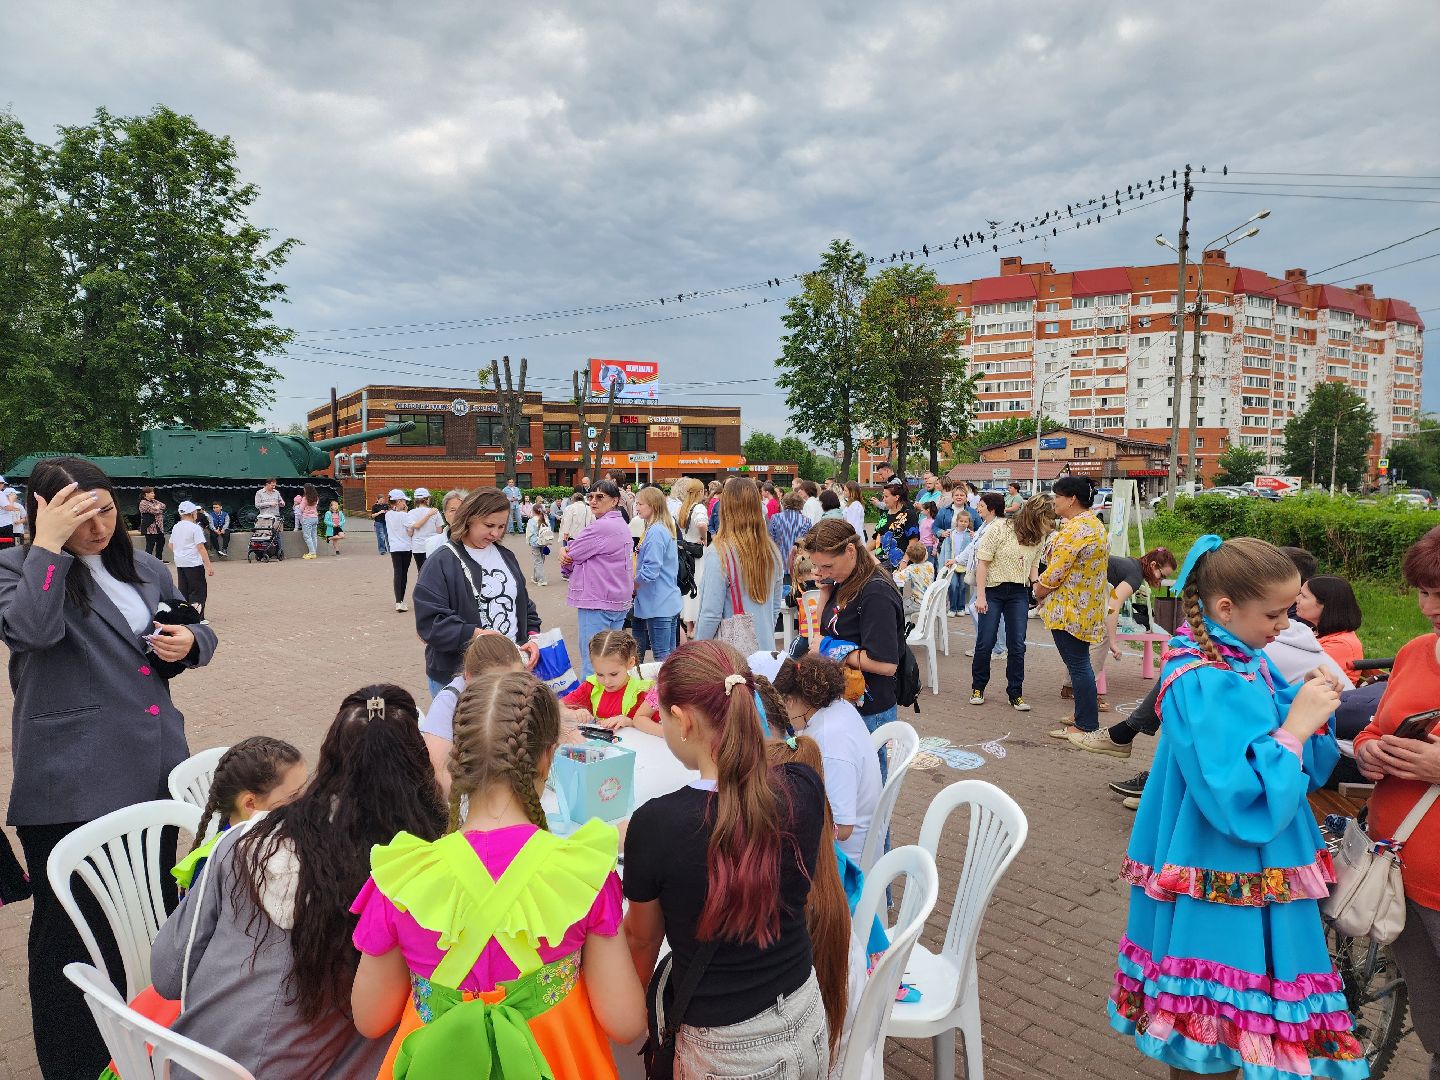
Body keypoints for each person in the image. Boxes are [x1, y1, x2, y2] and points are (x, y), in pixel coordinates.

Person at [1107, 536, 1366, 1080]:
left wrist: (1303, 708)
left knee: (1231, 1009)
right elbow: (1237, 795)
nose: (1286, 625)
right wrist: (1297, 728)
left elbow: (1260, 731)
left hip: (1239, 860)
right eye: (1274, 614)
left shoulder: (1237, 658)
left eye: (1290, 610)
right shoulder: (1205, 677)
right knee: (1218, 1016)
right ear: (1225, 608)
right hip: (1226, 861)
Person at [0, 457, 218, 1080]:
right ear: (44, 515)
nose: (97, 527)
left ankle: (143, 1040)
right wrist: (47, 548)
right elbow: (30, 632)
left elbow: (192, 626)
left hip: (153, 766)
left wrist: (191, 644)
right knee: (70, 935)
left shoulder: (144, 567)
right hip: (70, 778)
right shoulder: (17, 568)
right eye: (78, 516)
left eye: (104, 511)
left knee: (150, 916)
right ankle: (73, 1064)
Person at [352, 672, 647, 1078]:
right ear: (547, 757)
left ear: (458, 757)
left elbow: (370, 1018)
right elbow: (625, 1022)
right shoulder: (581, 874)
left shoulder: (404, 878)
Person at [150, 685, 447, 1080]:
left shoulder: (246, 841)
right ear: (419, 771)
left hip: (191, 1067)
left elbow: (167, 976)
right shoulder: (408, 878)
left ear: (329, 758)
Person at [623, 642, 829, 1078]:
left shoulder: (658, 825)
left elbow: (641, 942)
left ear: (682, 720)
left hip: (725, 1052)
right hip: (806, 1018)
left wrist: (629, 1017)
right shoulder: (803, 785)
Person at [1353, 526, 1440, 1080]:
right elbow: (1373, 725)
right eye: (1424, 592)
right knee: (1435, 1027)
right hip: (1395, 871)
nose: (1430, 608)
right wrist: (1369, 751)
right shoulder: (1414, 652)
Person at [414, 488, 542, 698]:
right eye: (489, 525)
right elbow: (430, 623)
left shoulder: (506, 556)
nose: (495, 534)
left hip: (510, 672)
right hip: (459, 676)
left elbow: (523, 604)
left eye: (501, 526)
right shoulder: (441, 561)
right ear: (469, 518)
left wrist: (533, 638)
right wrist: (477, 635)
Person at [802, 518, 904, 779]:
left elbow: (886, 664)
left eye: (827, 566)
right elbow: (826, 629)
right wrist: (825, 590)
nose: (822, 572)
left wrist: (833, 650)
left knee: (868, 785)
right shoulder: (846, 578)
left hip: (869, 707)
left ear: (850, 551)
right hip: (849, 700)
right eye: (817, 566)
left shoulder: (875, 592)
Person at [770, 652, 882, 865]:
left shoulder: (830, 741)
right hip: (854, 842)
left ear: (790, 701)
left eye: (780, 709)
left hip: (847, 860)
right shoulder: (836, 707)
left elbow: (842, 828)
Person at [1062, 547, 1179, 730]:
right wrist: (1113, 641)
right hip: (1081, 591)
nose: (1160, 580)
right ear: (1153, 565)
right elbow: (1113, 605)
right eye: (1161, 575)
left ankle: (1069, 687)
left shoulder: (1132, 565)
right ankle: (1087, 698)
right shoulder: (1135, 576)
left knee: (1083, 640)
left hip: (1079, 589)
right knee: (1101, 640)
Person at [172, 736, 306, 892]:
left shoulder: (274, 834)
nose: (305, 801)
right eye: (293, 795)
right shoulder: (219, 866)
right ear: (250, 804)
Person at [1032, 475, 1109, 739]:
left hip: (1070, 610)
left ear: (1072, 499)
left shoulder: (1076, 530)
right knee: (1080, 663)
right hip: (1085, 608)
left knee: (1078, 665)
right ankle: (1082, 714)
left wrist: (1038, 589)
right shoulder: (1093, 524)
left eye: (1058, 496)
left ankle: (1085, 724)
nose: (1054, 501)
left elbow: (1056, 571)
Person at [419, 632, 531, 796]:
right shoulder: (448, 702)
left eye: (515, 681)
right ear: (468, 677)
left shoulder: (523, 693)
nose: (506, 692)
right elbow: (440, 776)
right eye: (493, 684)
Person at [971, 495, 1049, 711]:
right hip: (993, 589)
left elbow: (1033, 566)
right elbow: (983, 563)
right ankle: (978, 687)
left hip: (1018, 592)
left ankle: (1015, 693)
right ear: (1035, 516)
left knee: (1017, 644)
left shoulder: (1039, 536)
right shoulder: (1000, 528)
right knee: (986, 641)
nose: (1049, 526)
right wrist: (980, 596)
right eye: (1046, 520)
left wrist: (1038, 590)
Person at [695, 477, 784, 655]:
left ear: (726, 509)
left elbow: (711, 614)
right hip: (766, 650)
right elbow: (775, 608)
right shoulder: (772, 551)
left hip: (731, 655)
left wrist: (697, 650)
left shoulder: (720, 552)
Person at [561, 479, 633, 678]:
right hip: (616, 599)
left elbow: (572, 554)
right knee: (610, 660)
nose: (593, 501)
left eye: (600, 497)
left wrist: (565, 553)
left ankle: (590, 697)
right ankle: (608, 696)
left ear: (614, 500)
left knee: (592, 661)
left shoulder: (602, 526)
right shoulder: (620, 524)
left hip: (598, 599)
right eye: (590, 496)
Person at [563, 629, 660, 735]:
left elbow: (661, 727)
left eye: (613, 674)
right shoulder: (591, 686)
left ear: (630, 663)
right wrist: (572, 713)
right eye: (599, 674)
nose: (606, 681)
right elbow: (556, 708)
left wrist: (630, 722)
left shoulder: (643, 692)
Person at [633, 486, 682, 663]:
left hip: (658, 602)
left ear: (652, 505)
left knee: (662, 657)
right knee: (669, 656)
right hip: (667, 600)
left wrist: (633, 585)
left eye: (640, 504)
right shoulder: (663, 527)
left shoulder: (655, 531)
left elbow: (650, 570)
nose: (637, 507)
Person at [1296, 575, 1366, 685]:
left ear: (1325, 605)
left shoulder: (1341, 645)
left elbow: (1298, 674)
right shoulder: (1316, 631)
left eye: (1304, 596)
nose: (1297, 599)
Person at [673, 477, 710, 634]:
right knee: (698, 586)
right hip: (697, 552)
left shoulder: (682, 508)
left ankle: (688, 624)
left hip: (684, 550)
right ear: (700, 492)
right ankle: (695, 625)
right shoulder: (699, 508)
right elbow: (701, 524)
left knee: (687, 585)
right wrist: (705, 538)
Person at [170, 500, 215, 615]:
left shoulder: (176, 526)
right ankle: (197, 617)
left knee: (183, 589)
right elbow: (201, 547)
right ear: (192, 513)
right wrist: (209, 566)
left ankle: (184, 615)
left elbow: (170, 545)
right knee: (197, 591)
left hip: (180, 562)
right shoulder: (195, 528)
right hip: (193, 563)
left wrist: (180, 552)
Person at [871, 480, 919, 569]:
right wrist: (864, 550)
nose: (883, 499)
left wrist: (905, 561)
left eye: (886, 496)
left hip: (899, 563)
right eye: (883, 496)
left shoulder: (908, 514)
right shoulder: (884, 515)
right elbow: (877, 537)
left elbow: (913, 541)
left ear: (896, 497)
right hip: (880, 562)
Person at [768, 488, 813, 576]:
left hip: (779, 561)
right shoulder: (806, 521)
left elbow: (770, 539)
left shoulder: (775, 518)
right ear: (800, 504)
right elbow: (808, 542)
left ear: (784, 503)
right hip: (798, 562)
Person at [384, 489, 415, 612]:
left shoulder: (387, 515)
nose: (405, 503)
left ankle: (398, 601)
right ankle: (401, 600)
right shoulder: (405, 515)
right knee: (404, 574)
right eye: (403, 501)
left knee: (397, 573)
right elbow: (411, 530)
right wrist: (406, 513)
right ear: (398, 501)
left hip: (394, 547)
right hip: (406, 547)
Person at [893, 538, 935, 622]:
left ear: (911, 559)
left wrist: (896, 572)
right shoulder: (930, 565)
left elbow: (898, 578)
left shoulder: (911, 569)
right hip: (930, 601)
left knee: (897, 606)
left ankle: (904, 626)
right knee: (905, 600)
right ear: (925, 555)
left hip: (918, 603)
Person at [422, 487, 470, 558]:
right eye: (452, 510)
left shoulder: (481, 542)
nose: (458, 514)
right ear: (445, 514)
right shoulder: (432, 543)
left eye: (462, 509)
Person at [406, 487, 442, 572]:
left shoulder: (410, 513)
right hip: (433, 546)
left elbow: (410, 533)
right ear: (427, 499)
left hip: (418, 546)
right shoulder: (435, 512)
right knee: (433, 571)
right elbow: (439, 531)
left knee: (421, 570)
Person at [525, 502, 553, 586]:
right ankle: (535, 577)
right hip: (544, 542)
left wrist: (528, 542)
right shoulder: (545, 519)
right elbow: (549, 531)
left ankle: (542, 580)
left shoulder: (531, 521)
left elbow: (530, 533)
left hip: (535, 542)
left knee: (537, 561)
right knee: (540, 560)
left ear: (533, 511)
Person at [138, 486, 167, 560]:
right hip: (150, 528)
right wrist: (157, 508)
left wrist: (157, 508)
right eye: (151, 493)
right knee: (150, 545)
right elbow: (155, 511)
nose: (153, 494)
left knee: (161, 543)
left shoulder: (154, 501)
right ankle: (147, 561)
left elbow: (163, 506)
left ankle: (159, 559)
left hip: (159, 527)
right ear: (146, 494)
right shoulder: (143, 503)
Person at [294, 483, 321, 559]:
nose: (303, 489)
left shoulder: (305, 498)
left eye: (304, 488)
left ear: (307, 490)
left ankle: (312, 553)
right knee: (314, 536)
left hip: (307, 518)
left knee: (307, 536)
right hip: (315, 517)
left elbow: (301, 508)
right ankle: (314, 552)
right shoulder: (316, 498)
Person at [0, 476, 23, 550]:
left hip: (4, 525)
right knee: (7, 548)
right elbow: (8, 507)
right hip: (4, 525)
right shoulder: (0, 494)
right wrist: (11, 499)